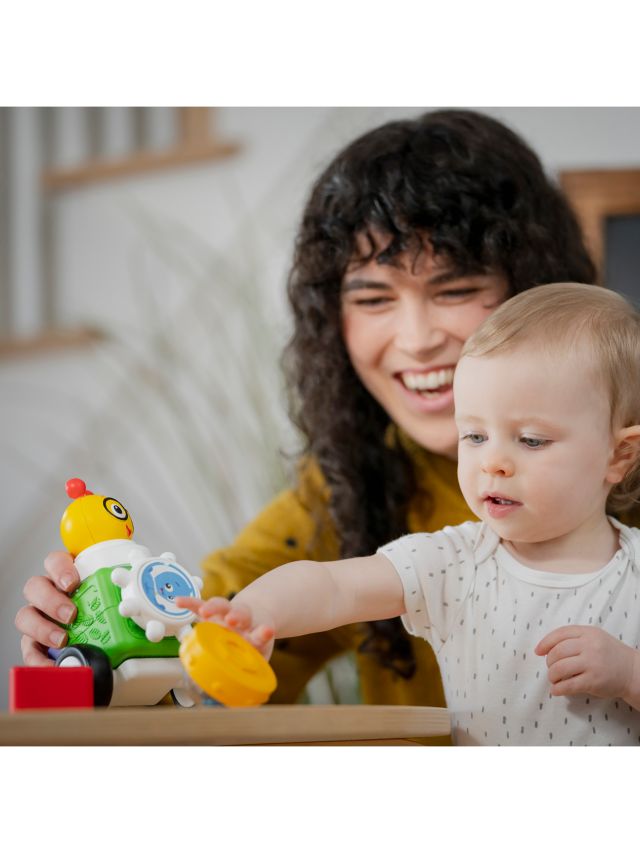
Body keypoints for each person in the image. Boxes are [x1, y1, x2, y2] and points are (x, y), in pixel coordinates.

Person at [15, 111, 601, 734]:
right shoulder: (348, 490)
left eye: (455, 290)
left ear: (535, 292)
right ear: (332, 318)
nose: (418, 338)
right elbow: (203, 647)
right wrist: (97, 649)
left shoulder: (618, 457)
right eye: (373, 298)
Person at [176, 283, 640, 746]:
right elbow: (333, 587)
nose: (492, 462)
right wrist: (257, 610)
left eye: (532, 440)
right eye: (474, 436)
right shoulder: (453, 563)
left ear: (619, 454)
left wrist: (628, 673)